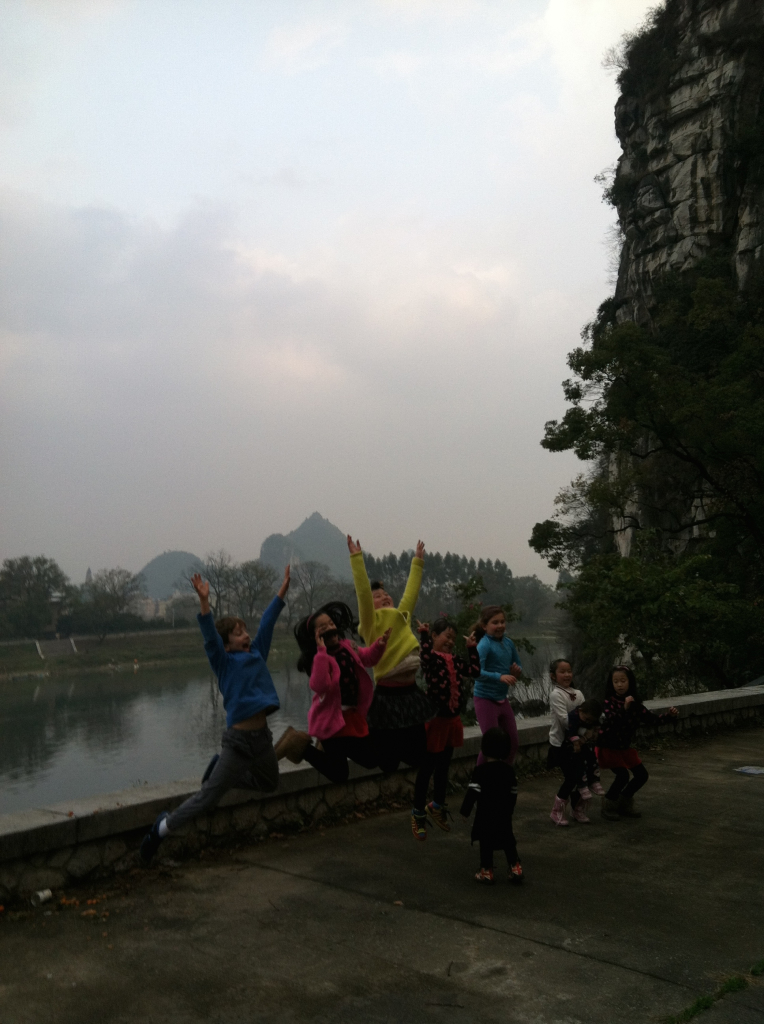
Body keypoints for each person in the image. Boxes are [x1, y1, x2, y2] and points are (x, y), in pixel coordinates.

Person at [139, 567, 291, 865]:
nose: (246, 635)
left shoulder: (257, 653)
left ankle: (218, 773)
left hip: (262, 740)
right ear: (227, 644)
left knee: (269, 783)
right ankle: (159, 830)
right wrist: (204, 602)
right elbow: (209, 636)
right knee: (208, 798)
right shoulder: (223, 662)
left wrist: (282, 590)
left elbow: (269, 621)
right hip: (237, 742)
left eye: (245, 630)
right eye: (238, 633)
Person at [347, 534, 435, 840]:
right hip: (387, 698)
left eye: (387, 594)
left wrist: (418, 562)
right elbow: (362, 593)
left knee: (425, 758)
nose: (385, 597)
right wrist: (357, 560)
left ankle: (418, 810)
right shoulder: (369, 625)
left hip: (410, 696)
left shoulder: (401, 617)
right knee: (385, 764)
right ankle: (339, 741)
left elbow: (411, 592)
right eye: (379, 596)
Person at [277, 602, 391, 782]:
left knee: (371, 760)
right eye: (323, 627)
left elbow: (368, 658)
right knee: (339, 773)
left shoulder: (348, 646)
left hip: (352, 718)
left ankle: (326, 746)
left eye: (331, 624)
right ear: (315, 635)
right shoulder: (319, 659)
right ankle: (299, 745)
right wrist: (321, 652)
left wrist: (380, 644)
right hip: (332, 722)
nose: (330, 628)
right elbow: (319, 685)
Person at [412, 617, 481, 836]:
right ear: (434, 636)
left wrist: (472, 648)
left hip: (452, 720)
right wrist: (423, 634)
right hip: (436, 721)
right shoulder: (431, 658)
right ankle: (418, 815)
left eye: (453, 638)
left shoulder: (456, 660)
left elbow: (476, 671)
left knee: (444, 767)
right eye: (446, 636)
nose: (450, 641)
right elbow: (423, 656)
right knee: (427, 769)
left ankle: (437, 807)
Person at [598, 665, 678, 821]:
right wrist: (624, 708)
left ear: (630, 682)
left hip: (624, 747)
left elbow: (651, 719)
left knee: (641, 775)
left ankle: (624, 801)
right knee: (622, 776)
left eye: (623, 680)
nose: (619, 685)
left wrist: (669, 716)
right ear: (611, 683)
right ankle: (608, 804)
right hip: (608, 745)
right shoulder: (609, 701)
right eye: (616, 681)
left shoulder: (635, 704)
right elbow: (611, 720)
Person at [460, 728, 522, 885]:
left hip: (485, 813)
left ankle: (486, 871)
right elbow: (513, 792)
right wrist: (510, 808)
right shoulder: (509, 771)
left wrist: (465, 812)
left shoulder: (480, 771)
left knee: (485, 841)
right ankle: (515, 867)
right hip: (504, 813)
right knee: (508, 840)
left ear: (484, 748)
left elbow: (472, 792)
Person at [472, 606, 521, 766]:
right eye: (495, 622)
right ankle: (479, 780)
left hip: (502, 699)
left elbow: (517, 667)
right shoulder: (484, 645)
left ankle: (502, 776)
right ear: (484, 626)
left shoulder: (508, 643)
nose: (500, 625)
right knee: (491, 745)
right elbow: (477, 672)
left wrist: (515, 672)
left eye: (502, 621)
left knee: (512, 742)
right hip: (485, 700)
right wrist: (499, 677)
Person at [546, 658, 588, 826]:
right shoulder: (556, 695)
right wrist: (584, 728)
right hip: (561, 744)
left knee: (581, 777)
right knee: (571, 778)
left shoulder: (578, 694)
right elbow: (565, 721)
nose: (567, 674)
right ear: (553, 676)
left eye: (569, 671)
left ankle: (577, 809)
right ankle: (556, 811)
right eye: (562, 672)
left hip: (579, 743)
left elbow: (586, 715)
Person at [566, 699, 604, 800]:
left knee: (592, 759)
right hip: (574, 744)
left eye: (590, 720)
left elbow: (597, 724)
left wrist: (595, 732)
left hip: (586, 742)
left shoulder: (591, 716)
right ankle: (581, 785)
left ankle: (594, 780)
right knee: (579, 764)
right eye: (586, 719)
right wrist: (576, 744)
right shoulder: (573, 716)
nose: (588, 722)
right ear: (581, 711)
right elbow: (572, 732)